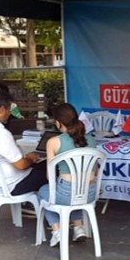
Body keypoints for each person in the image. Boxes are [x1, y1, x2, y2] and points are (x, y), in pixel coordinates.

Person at [37, 103, 97, 247]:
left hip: (65, 194)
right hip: (90, 194)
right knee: (75, 193)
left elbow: (49, 177)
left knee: (44, 192)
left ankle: (57, 231)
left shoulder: (53, 142)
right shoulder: (92, 139)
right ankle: (78, 227)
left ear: (57, 123)